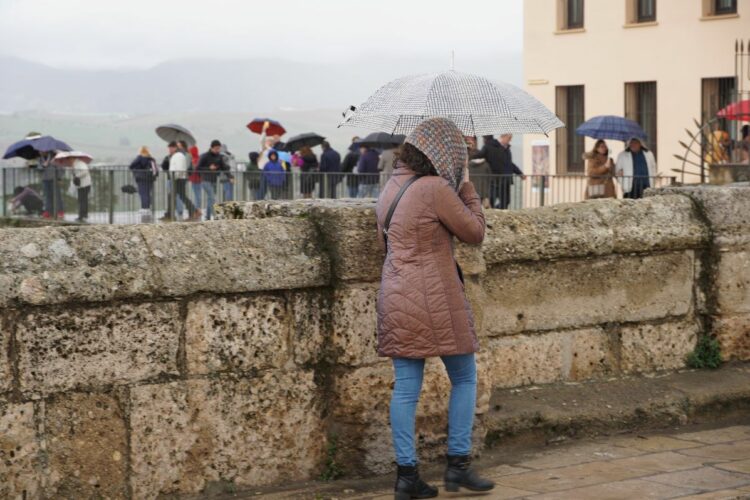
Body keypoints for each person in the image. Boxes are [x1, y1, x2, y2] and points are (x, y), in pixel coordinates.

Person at [376, 117, 494, 499]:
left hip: (395, 294)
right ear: (444, 155)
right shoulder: (435, 188)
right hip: (436, 298)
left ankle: (407, 477)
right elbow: (474, 232)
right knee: (464, 377)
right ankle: (457, 465)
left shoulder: (392, 185)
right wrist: (466, 186)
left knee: (407, 387)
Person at [472, 134, 524, 209]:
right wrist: (469, 151)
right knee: (492, 200)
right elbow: (478, 155)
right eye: (509, 138)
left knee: (506, 201)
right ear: (503, 137)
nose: (510, 140)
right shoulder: (489, 146)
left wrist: (520, 173)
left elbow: (510, 164)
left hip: (506, 180)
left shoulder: (507, 149)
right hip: (494, 180)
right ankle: (494, 214)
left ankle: (497, 214)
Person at [197, 140, 228, 220]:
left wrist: (230, 176)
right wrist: (209, 168)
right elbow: (198, 168)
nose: (218, 150)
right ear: (212, 148)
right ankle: (216, 216)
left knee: (210, 198)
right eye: (216, 148)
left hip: (214, 180)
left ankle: (207, 216)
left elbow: (223, 167)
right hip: (205, 180)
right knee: (212, 197)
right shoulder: (204, 156)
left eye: (219, 149)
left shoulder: (219, 156)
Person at [169, 141, 200, 220]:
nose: (178, 146)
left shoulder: (183, 155)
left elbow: (182, 167)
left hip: (180, 178)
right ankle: (193, 211)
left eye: (179, 145)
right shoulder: (179, 155)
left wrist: (176, 176)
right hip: (180, 177)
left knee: (175, 195)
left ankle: (193, 211)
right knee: (179, 195)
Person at [129, 146, 159, 216]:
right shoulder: (151, 159)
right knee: (147, 193)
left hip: (141, 178)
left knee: (142, 193)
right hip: (150, 178)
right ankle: (147, 208)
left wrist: (136, 171)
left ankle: (144, 208)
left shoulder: (139, 158)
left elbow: (131, 166)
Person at [160, 142, 184, 221]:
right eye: (169, 148)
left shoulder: (178, 156)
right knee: (171, 196)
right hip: (169, 178)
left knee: (177, 196)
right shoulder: (168, 157)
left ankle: (179, 211)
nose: (170, 149)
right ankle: (171, 213)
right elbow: (163, 166)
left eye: (171, 148)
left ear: (175, 148)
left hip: (176, 178)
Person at [39, 152, 64, 219]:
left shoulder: (54, 157)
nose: (40, 152)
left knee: (57, 196)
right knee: (47, 196)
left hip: (54, 179)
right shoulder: (40, 159)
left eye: (41, 150)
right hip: (45, 179)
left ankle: (60, 211)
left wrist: (59, 178)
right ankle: (48, 212)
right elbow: (38, 169)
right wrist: (43, 166)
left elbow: (60, 168)